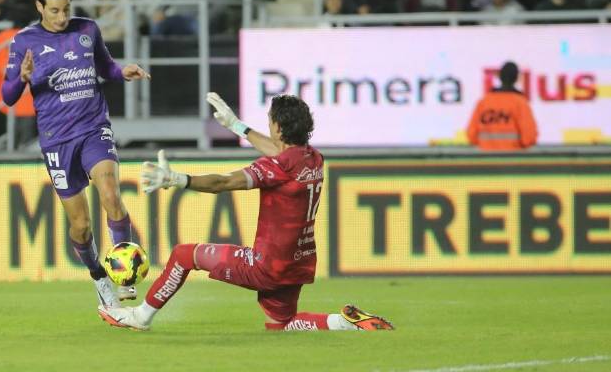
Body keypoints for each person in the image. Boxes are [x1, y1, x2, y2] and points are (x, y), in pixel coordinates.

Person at [98, 92, 395, 332]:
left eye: (270, 121)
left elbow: (223, 182)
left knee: (184, 255)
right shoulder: (314, 158)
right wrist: (237, 126)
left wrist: (179, 179)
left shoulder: (276, 167)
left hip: (266, 266)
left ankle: (141, 316)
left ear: (278, 128)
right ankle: (344, 322)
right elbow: (280, 151)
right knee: (281, 324)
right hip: (298, 263)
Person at [1, 0, 150, 312]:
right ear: (40, 7)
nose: (62, 17)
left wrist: (122, 72)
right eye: (54, 10)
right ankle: (99, 276)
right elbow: (7, 97)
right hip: (57, 140)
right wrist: (21, 79)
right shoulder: (24, 41)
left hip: (93, 127)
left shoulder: (87, 30)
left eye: (66, 9)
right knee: (80, 226)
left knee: (111, 194)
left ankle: (124, 276)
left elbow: (106, 67)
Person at [467, 61, 538, 151]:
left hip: (486, 157)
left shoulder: (484, 102)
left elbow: (472, 136)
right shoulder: (520, 103)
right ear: (517, 78)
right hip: (513, 156)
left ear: (499, 77)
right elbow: (529, 138)